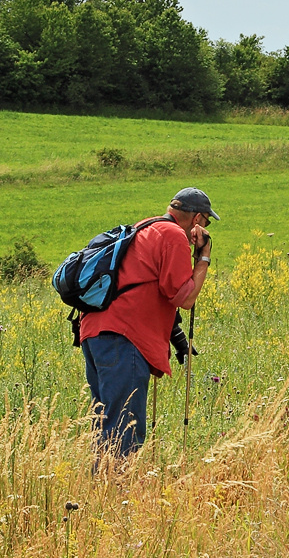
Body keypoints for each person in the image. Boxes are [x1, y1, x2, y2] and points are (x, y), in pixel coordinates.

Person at [79, 186, 217, 456]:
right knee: (124, 427)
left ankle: (101, 491)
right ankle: (118, 494)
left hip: (96, 332)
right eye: (207, 221)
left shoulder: (145, 227)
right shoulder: (173, 235)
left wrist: (174, 337)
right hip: (125, 337)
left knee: (106, 424)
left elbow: (146, 287)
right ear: (197, 219)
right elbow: (184, 298)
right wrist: (203, 257)